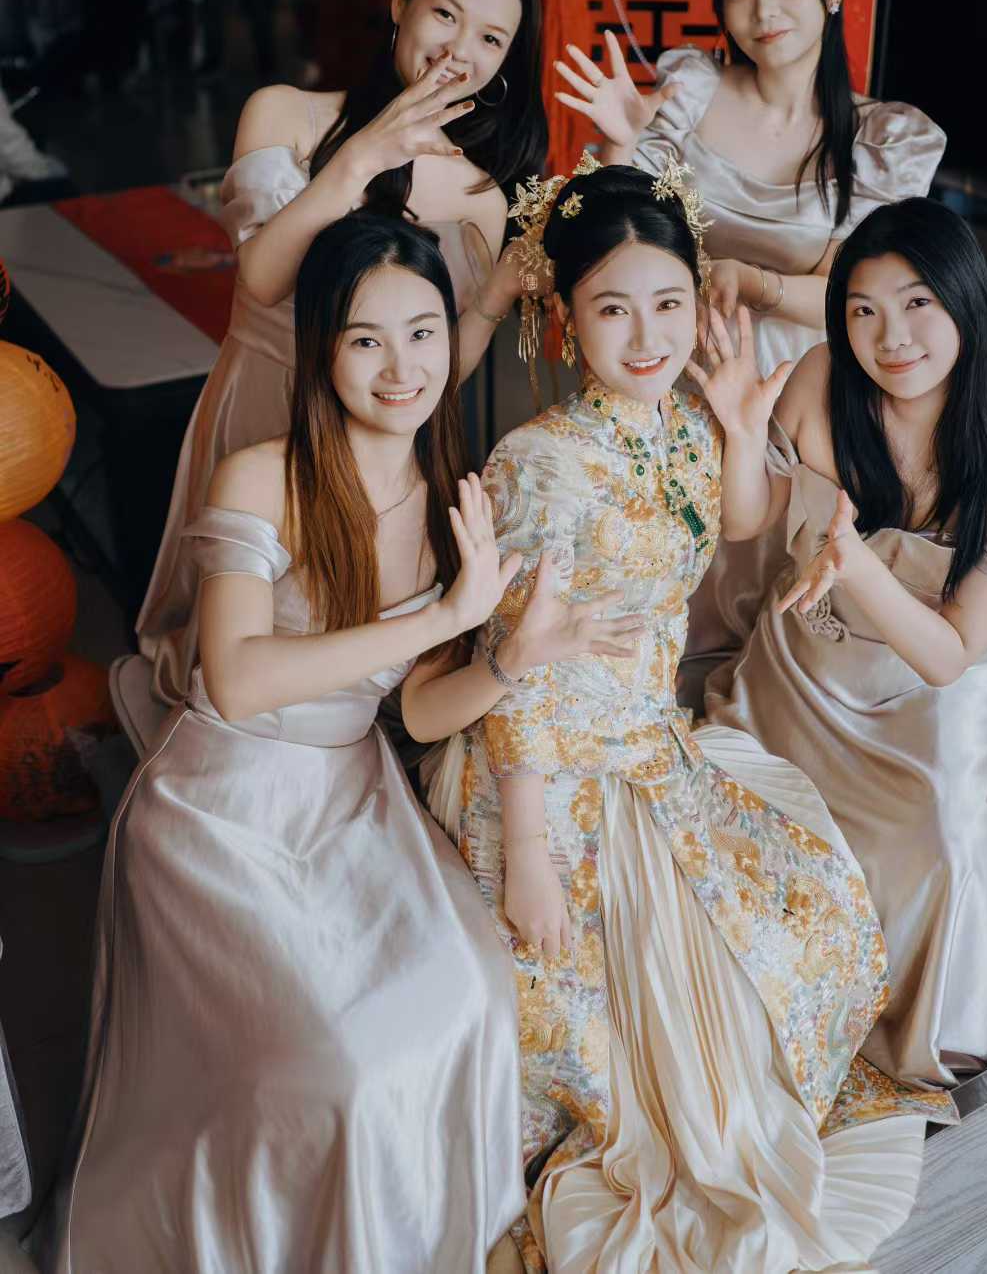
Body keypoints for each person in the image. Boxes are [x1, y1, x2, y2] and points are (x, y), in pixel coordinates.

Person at [45, 212, 645, 1272]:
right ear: (324, 347)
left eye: (423, 333)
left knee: (471, 993)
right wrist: (443, 615)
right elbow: (237, 678)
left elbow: (414, 711)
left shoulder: (452, 496)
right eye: (367, 339)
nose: (401, 367)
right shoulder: (260, 476)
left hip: (353, 793)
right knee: (337, 1066)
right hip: (221, 807)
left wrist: (510, 661)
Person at [424, 160, 952, 1273]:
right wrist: (528, 850)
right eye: (613, 308)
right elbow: (517, 673)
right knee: (602, 1023)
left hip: (648, 745)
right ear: (566, 318)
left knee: (801, 921)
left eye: (668, 302)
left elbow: (735, 526)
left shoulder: (678, 425)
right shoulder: (538, 462)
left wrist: (741, 425)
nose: (646, 334)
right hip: (545, 771)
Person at [700, 197, 987, 1086]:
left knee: (941, 841)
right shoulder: (818, 380)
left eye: (917, 304)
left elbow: (950, 653)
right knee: (739, 813)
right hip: (805, 664)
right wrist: (742, 435)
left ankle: (943, 1003)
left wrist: (858, 564)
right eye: (863, 310)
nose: (891, 337)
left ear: (965, 304)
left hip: (931, 685)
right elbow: (747, 521)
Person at [137, 0, 548, 704]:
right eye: (445, 14)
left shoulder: (478, 197)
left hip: (375, 447)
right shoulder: (284, 114)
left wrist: (493, 302)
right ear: (400, 2)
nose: (460, 49)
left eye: (491, 38)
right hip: (263, 403)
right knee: (235, 635)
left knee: (345, 653)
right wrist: (361, 157)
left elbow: (434, 373)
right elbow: (263, 278)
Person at [553, 0, 947, 674]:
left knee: (782, 603)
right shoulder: (691, 91)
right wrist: (622, 144)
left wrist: (755, 283)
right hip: (672, 370)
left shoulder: (884, 139)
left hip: (804, 393)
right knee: (652, 601)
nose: (763, 9)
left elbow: (860, 299)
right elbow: (614, 232)